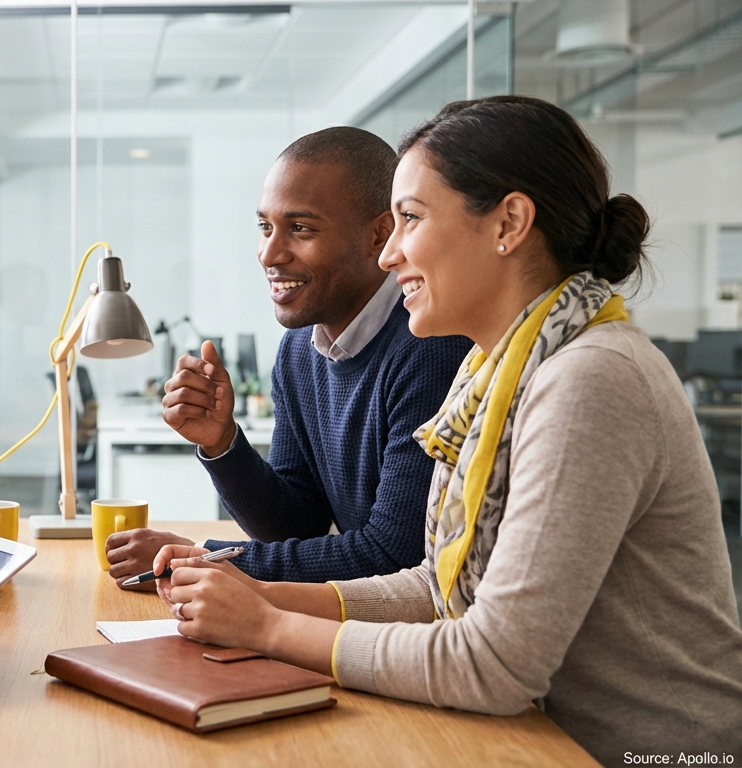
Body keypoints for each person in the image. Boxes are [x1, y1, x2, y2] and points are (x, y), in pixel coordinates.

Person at [153, 96, 742, 763]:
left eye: (410, 219)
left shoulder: (590, 378)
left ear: (509, 223)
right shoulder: (490, 370)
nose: (389, 254)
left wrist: (268, 624)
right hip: (534, 733)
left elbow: (491, 663)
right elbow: (435, 588)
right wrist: (259, 593)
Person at [106, 127, 471, 587]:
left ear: (379, 234)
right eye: (265, 227)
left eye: (300, 228)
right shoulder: (300, 349)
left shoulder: (431, 346)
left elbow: (393, 553)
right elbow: (298, 522)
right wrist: (222, 443)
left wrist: (205, 558)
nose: (268, 253)